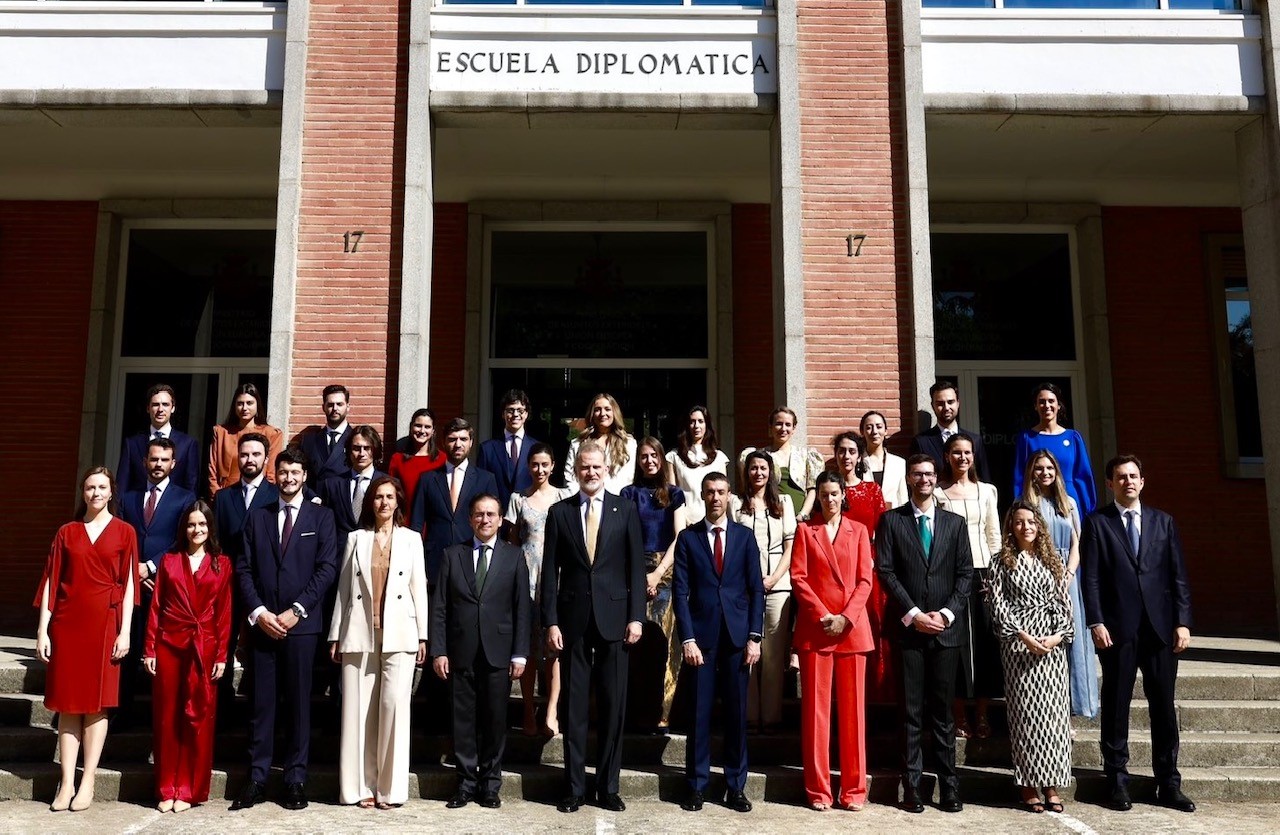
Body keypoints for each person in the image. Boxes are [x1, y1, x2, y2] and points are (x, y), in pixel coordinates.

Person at [1081, 454, 1195, 813]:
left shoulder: (1164, 522)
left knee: (1163, 707)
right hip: (1117, 629)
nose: (1128, 481)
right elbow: (1092, 578)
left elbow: (1178, 576)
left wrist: (1183, 621)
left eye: (1133, 476)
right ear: (1109, 483)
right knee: (1116, 706)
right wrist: (1095, 621)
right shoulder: (1098, 523)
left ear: (1142, 481)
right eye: (1120, 476)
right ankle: (1116, 781)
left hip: (1160, 629)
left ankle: (1169, 783)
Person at [541, 441, 645, 814]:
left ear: (606, 469)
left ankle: (608, 786)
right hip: (572, 622)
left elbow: (635, 567)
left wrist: (637, 616)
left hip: (616, 620)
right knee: (574, 707)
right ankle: (574, 788)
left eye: (596, 467)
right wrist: (550, 621)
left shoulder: (626, 510)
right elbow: (548, 573)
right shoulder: (560, 513)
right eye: (584, 467)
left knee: (614, 705)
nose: (591, 473)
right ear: (576, 470)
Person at [232, 447, 338, 812]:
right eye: (284, 472)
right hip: (263, 626)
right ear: (275, 475)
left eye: (296, 472)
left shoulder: (321, 517)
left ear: (305, 476)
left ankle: (295, 778)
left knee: (298, 706)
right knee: (261, 706)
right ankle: (258, 777)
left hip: (302, 628)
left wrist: (297, 610)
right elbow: (243, 569)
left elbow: (326, 569)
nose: (290, 478)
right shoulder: (257, 517)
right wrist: (260, 612)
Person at [34, 466, 138, 812]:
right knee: (68, 704)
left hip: (106, 625)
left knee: (96, 704)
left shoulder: (125, 532)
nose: (95, 493)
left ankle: (88, 779)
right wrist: (42, 629)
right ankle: (66, 782)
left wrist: (125, 631)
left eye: (102, 487)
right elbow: (51, 580)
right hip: (67, 624)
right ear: (84, 493)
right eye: (90, 487)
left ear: (111, 493)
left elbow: (129, 586)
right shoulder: (67, 532)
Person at [875, 454, 973, 814]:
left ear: (936, 477)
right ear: (910, 479)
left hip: (947, 632)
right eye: (918, 474)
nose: (924, 479)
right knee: (911, 713)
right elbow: (886, 572)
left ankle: (949, 786)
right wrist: (914, 614)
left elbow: (965, 575)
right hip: (909, 632)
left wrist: (946, 614)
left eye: (930, 473)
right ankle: (912, 786)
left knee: (943, 714)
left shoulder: (955, 524)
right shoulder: (892, 521)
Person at [328, 476, 429, 809]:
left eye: (389, 497)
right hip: (359, 632)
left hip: (400, 633)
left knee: (393, 708)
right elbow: (344, 590)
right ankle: (361, 788)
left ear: (398, 501)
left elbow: (419, 590)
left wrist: (423, 635)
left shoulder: (412, 540)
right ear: (370, 503)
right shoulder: (356, 538)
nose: (384, 503)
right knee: (358, 711)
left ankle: (390, 789)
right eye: (378, 497)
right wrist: (335, 634)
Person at [433, 493, 531, 810]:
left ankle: (490, 784)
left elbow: (522, 609)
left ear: (501, 520)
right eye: (478, 514)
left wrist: (520, 654)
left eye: (491, 514)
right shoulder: (453, 555)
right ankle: (465, 783)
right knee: (462, 721)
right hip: (461, 651)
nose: (485, 520)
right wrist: (440, 650)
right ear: (470, 519)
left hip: (498, 652)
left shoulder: (514, 557)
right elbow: (441, 608)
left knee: (494, 720)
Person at [673, 472, 763, 813]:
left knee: (737, 717)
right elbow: (681, 594)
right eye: (709, 492)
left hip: (739, 640)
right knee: (699, 715)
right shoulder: (688, 539)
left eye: (721, 492)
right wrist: (688, 639)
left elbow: (756, 589)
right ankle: (696, 786)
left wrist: (755, 637)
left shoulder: (744, 537)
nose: (715, 498)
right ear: (703, 495)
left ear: (729, 497)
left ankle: (735, 786)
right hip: (702, 641)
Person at [791, 472, 874, 811]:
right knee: (816, 715)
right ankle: (818, 791)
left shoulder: (860, 531)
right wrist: (825, 614)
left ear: (843, 495)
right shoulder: (805, 531)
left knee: (854, 717)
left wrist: (846, 617)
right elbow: (798, 577)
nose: (829, 499)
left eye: (835, 493)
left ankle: (854, 791)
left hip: (852, 630)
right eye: (824, 494)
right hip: (817, 630)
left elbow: (865, 580)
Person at [142, 500, 233, 813]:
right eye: (192, 524)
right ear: (184, 529)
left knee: (198, 719)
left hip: (204, 648)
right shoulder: (169, 561)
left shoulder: (222, 564)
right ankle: (167, 788)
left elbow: (224, 614)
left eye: (203, 524)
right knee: (168, 718)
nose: (197, 530)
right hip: (169, 644)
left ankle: (190, 789)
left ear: (210, 529)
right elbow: (155, 607)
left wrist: (222, 655)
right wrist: (149, 648)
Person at [987, 501, 1074, 815]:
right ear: (1011, 526)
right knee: (1026, 719)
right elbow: (998, 607)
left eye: (1031, 522)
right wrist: (1022, 635)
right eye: (1019, 522)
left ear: (1040, 526)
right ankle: (1027, 785)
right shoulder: (1001, 562)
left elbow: (1064, 604)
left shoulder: (1053, 561)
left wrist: (1057, 636)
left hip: (1051, 649)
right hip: (1019, 648)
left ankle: (1051, 785)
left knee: (1052, 721)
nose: (1026, 527)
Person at [117, 437, 197, 727]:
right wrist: (134, 571)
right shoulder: (127, 499)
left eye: (164, 460)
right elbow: (121, 541)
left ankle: (161, 720)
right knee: (127, 654)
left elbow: (182, 541)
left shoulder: (185, 498)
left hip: (167, 588)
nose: (158, 464)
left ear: (173, 464)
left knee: (164, 657)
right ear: (144, 462)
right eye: (154, 459)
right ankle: (121, 714)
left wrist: (150, 568)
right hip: (132, 589)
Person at [934, 433, 1002, 740]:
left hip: (983, 574)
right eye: (956, 452)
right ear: (947, 456)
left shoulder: (987, 491)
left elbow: (994, 536)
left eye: (967, 453)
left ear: (974, 457)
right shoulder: (937, 493)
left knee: (986, 643)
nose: (962, 458)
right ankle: (959, 712)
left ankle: (983, 712)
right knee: (956, 645)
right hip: (950, 576)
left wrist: (996, 575)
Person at [1022, 449, 1099, 719]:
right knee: (1046, 640)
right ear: (1031, 472)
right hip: (1038, 577)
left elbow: (1078, 542)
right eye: (1039, 468)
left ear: (1057, 473)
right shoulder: (1025, 504)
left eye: (1049, 469)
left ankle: (1076, 704)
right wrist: (1044, 575)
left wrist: (1068, 573)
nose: (1044, 473)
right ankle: (1051, 711)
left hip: (1069, 578)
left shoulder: (1069, 503)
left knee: (1072, 638)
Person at [504, 442, 573, 736]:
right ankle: (528, 712)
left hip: (556, 578)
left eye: (545, 464)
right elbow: (512, 542)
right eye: (535, 465)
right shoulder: (518, 499)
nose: (540, 470)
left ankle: (551, 712)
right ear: (528, 467)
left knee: (554, 650)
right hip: (528, 578)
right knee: (530, 650)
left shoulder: (564, 497)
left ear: (553, 465)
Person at [619, 437, 688, 731]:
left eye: (653, 456)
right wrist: (640, 576)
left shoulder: (674, 495)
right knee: (635, 644)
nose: (649, 461)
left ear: (661, 459)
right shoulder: (628, 493)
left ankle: (664, 712)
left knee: (667, 643)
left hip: (667, 572)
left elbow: (679, 537)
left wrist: (658, 573)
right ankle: (636, 711)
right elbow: (624, 537)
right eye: (644, 456)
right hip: (635, 571)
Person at [211, 433, 279, 705]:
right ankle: (223, 701)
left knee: (261, 645)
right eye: (244, 455)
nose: (249, 460)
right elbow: (215, 541)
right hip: (228, 581)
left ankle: (256, 699)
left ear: (266, 459)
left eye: (255, 455)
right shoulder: (224, 498)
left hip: (264, 583)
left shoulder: (276, 496)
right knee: (223, 641)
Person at [733, 450, 795, 731]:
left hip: (777, 586)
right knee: (748, 652)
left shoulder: (782, 502)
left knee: (771, 655)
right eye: (753, 468)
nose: (758, 472)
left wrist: (774, 577)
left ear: (771, 473)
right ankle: (749, 714)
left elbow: (790, 546)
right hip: (745, 589)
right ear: (746, 472)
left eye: (763, 468)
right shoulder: (736, 504)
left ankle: (771, 717)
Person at [832, 433, 894, 704]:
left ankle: (875, 694)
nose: (846, 456)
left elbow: (883, 532)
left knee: (871, 626)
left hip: (868, 563)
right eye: (842, 451)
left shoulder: (871, 490)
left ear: (859, 456)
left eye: (851, 451)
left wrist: (878, 562)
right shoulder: (829, 489)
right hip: (836, 566)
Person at [408, 417, 499, 589]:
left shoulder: (486, 479)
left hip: (472, 560)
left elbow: (493, 525)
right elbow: (416, 526)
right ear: (443, 442)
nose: (458, 444)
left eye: (463, 439)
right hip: (434, 562)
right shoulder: (428, 479)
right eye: (452, 439)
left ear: (471, 442)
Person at [1013, 382, 1097, 516]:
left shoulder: (1073, 438)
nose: (1046, 406)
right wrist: (1021, 506)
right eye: (1042, 402)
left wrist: (1088, 509)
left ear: (1058, 405)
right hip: (1037, 501)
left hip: (1070, 502)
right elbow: (1020, 476)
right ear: (1035, 406)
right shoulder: (1027, 438)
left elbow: (1083, 476)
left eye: (1051, 401)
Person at [738, 406, 824, 519]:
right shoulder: (759, 456)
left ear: (794, 429)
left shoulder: (806, 456)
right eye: (779, 424)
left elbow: (812, 490)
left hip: (800, 518)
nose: (783, 429)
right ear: (771, 427)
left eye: (788, 424)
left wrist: (802, 514)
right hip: (769, 517)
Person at [117, 383, 200, 494]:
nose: (160, 409)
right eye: (155, 404)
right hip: (137, 508)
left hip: (175, 509)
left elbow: (191, 486)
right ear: (148, 408)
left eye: (165, 404)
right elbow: (122, 485)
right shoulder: (132, 444)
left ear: (173, 408)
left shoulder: (188, 444)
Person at [208, 382, 284, 498]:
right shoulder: (221, 432)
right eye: (240, 403)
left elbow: (272, 473)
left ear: (257, 404)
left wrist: (265, 498)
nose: (244, 408)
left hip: (260, 497)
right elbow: (213, 470)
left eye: (249, 403)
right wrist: (217, 497)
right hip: (226, 495)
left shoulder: (271, 434)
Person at [317, 426, 388, 550]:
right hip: (340, 554)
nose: (361, 454)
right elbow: (326, 526)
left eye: (367, 448)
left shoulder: (387, 484)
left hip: (374, 551)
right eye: (356, 448)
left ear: (375, 450)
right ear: (348, 451)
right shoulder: (332, 485)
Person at [910, 381, 990, 483]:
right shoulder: (921, 442)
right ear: (932, 405)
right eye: (940, 403)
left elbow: (984, 478)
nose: (946, 408)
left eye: (950, 402)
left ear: (958, 403)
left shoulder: (975, 440)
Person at [665, 406, 731, 524]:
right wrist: (683, 520)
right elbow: (672, 494)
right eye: (692, 422)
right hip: (684, 522)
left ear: (707, 425)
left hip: (713, 522)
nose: (696, 426)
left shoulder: (719, 457)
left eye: (700, 421)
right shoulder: (674, 457)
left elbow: (723, 494)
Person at [563, 393, 637, 495]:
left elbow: (629, 477)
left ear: (614, 412)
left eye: (607, 409)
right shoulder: (577, 444)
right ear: (592, 414)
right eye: (597, 410)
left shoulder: (628, 444)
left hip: (618, 503)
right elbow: (570, 478)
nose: (602, 413)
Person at [478, 389, 540, 510]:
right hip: (495, 518)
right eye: (510, 410)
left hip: (527, 515)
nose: (515, 414)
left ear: (526, 414)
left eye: (520, 410)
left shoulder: (537, 448)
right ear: (503, 414)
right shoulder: (487, 449)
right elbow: (481, 487)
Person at [387, 408, 447, 512]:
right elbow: (391, 492)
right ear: (411, 427)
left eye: (427, 427)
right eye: (418, 426)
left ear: (433, 431)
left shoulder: (442, 459)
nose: (422, 431)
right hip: (404, 520)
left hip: (433, 521)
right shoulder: (397, 459)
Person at [299, 384, 355, 490]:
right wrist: (312, 497)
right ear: (323, 407)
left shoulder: (356, 439)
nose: (335, 408)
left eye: (339, 404)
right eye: (330, 405)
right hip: (315, 502)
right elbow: (300, 473)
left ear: (348, 407)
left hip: (344, 500)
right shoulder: (309, 441)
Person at [859, 410, 908, 508]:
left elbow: (903, 498)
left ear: (885, 431)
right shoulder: (857, 463)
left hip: (892, 518)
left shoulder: (899, 463)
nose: (874, 431)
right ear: (862, 432)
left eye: (879, 427)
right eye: (869, 427)